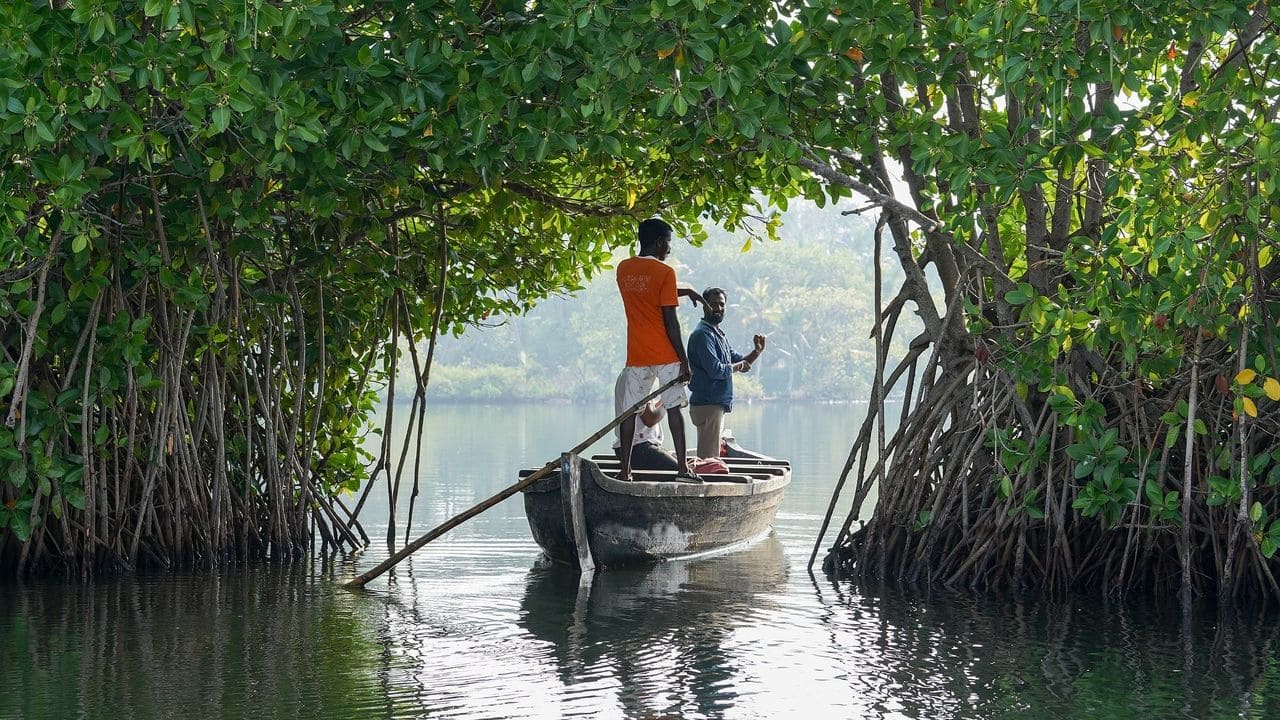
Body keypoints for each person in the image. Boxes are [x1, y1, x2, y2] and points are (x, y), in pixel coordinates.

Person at [615, 218, 702, 482]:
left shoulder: (623, 269)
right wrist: (683, 360)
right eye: (668, 243)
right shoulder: (666, 272)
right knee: (674, 409)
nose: (669, 249)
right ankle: (683, 470)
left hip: (637, 354)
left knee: (629, 413)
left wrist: (684, 291)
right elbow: (670, 321)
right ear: (659, 242)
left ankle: (624, 470)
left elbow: (646, 290)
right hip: (665, 354)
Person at [686, 286, 766, 460]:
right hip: (708, 404)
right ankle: (706, 486)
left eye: (722, 304)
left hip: (715, 405)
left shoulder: (717, 335)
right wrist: (738, 366)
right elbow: (716, 370)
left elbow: (738, 361)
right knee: (708, 460)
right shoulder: (702, 335)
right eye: (714, 304)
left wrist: (756, 352)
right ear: (704, 306)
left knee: (711, 457)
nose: (719, 308)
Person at [611, 370, 680, 471]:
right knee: (680, 470)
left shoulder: (627, 373)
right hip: (639, 448)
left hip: (630, 448)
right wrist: (669, 402)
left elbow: (646, 410)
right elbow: (649, 419)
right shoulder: (639, 376)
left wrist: (664, 402)